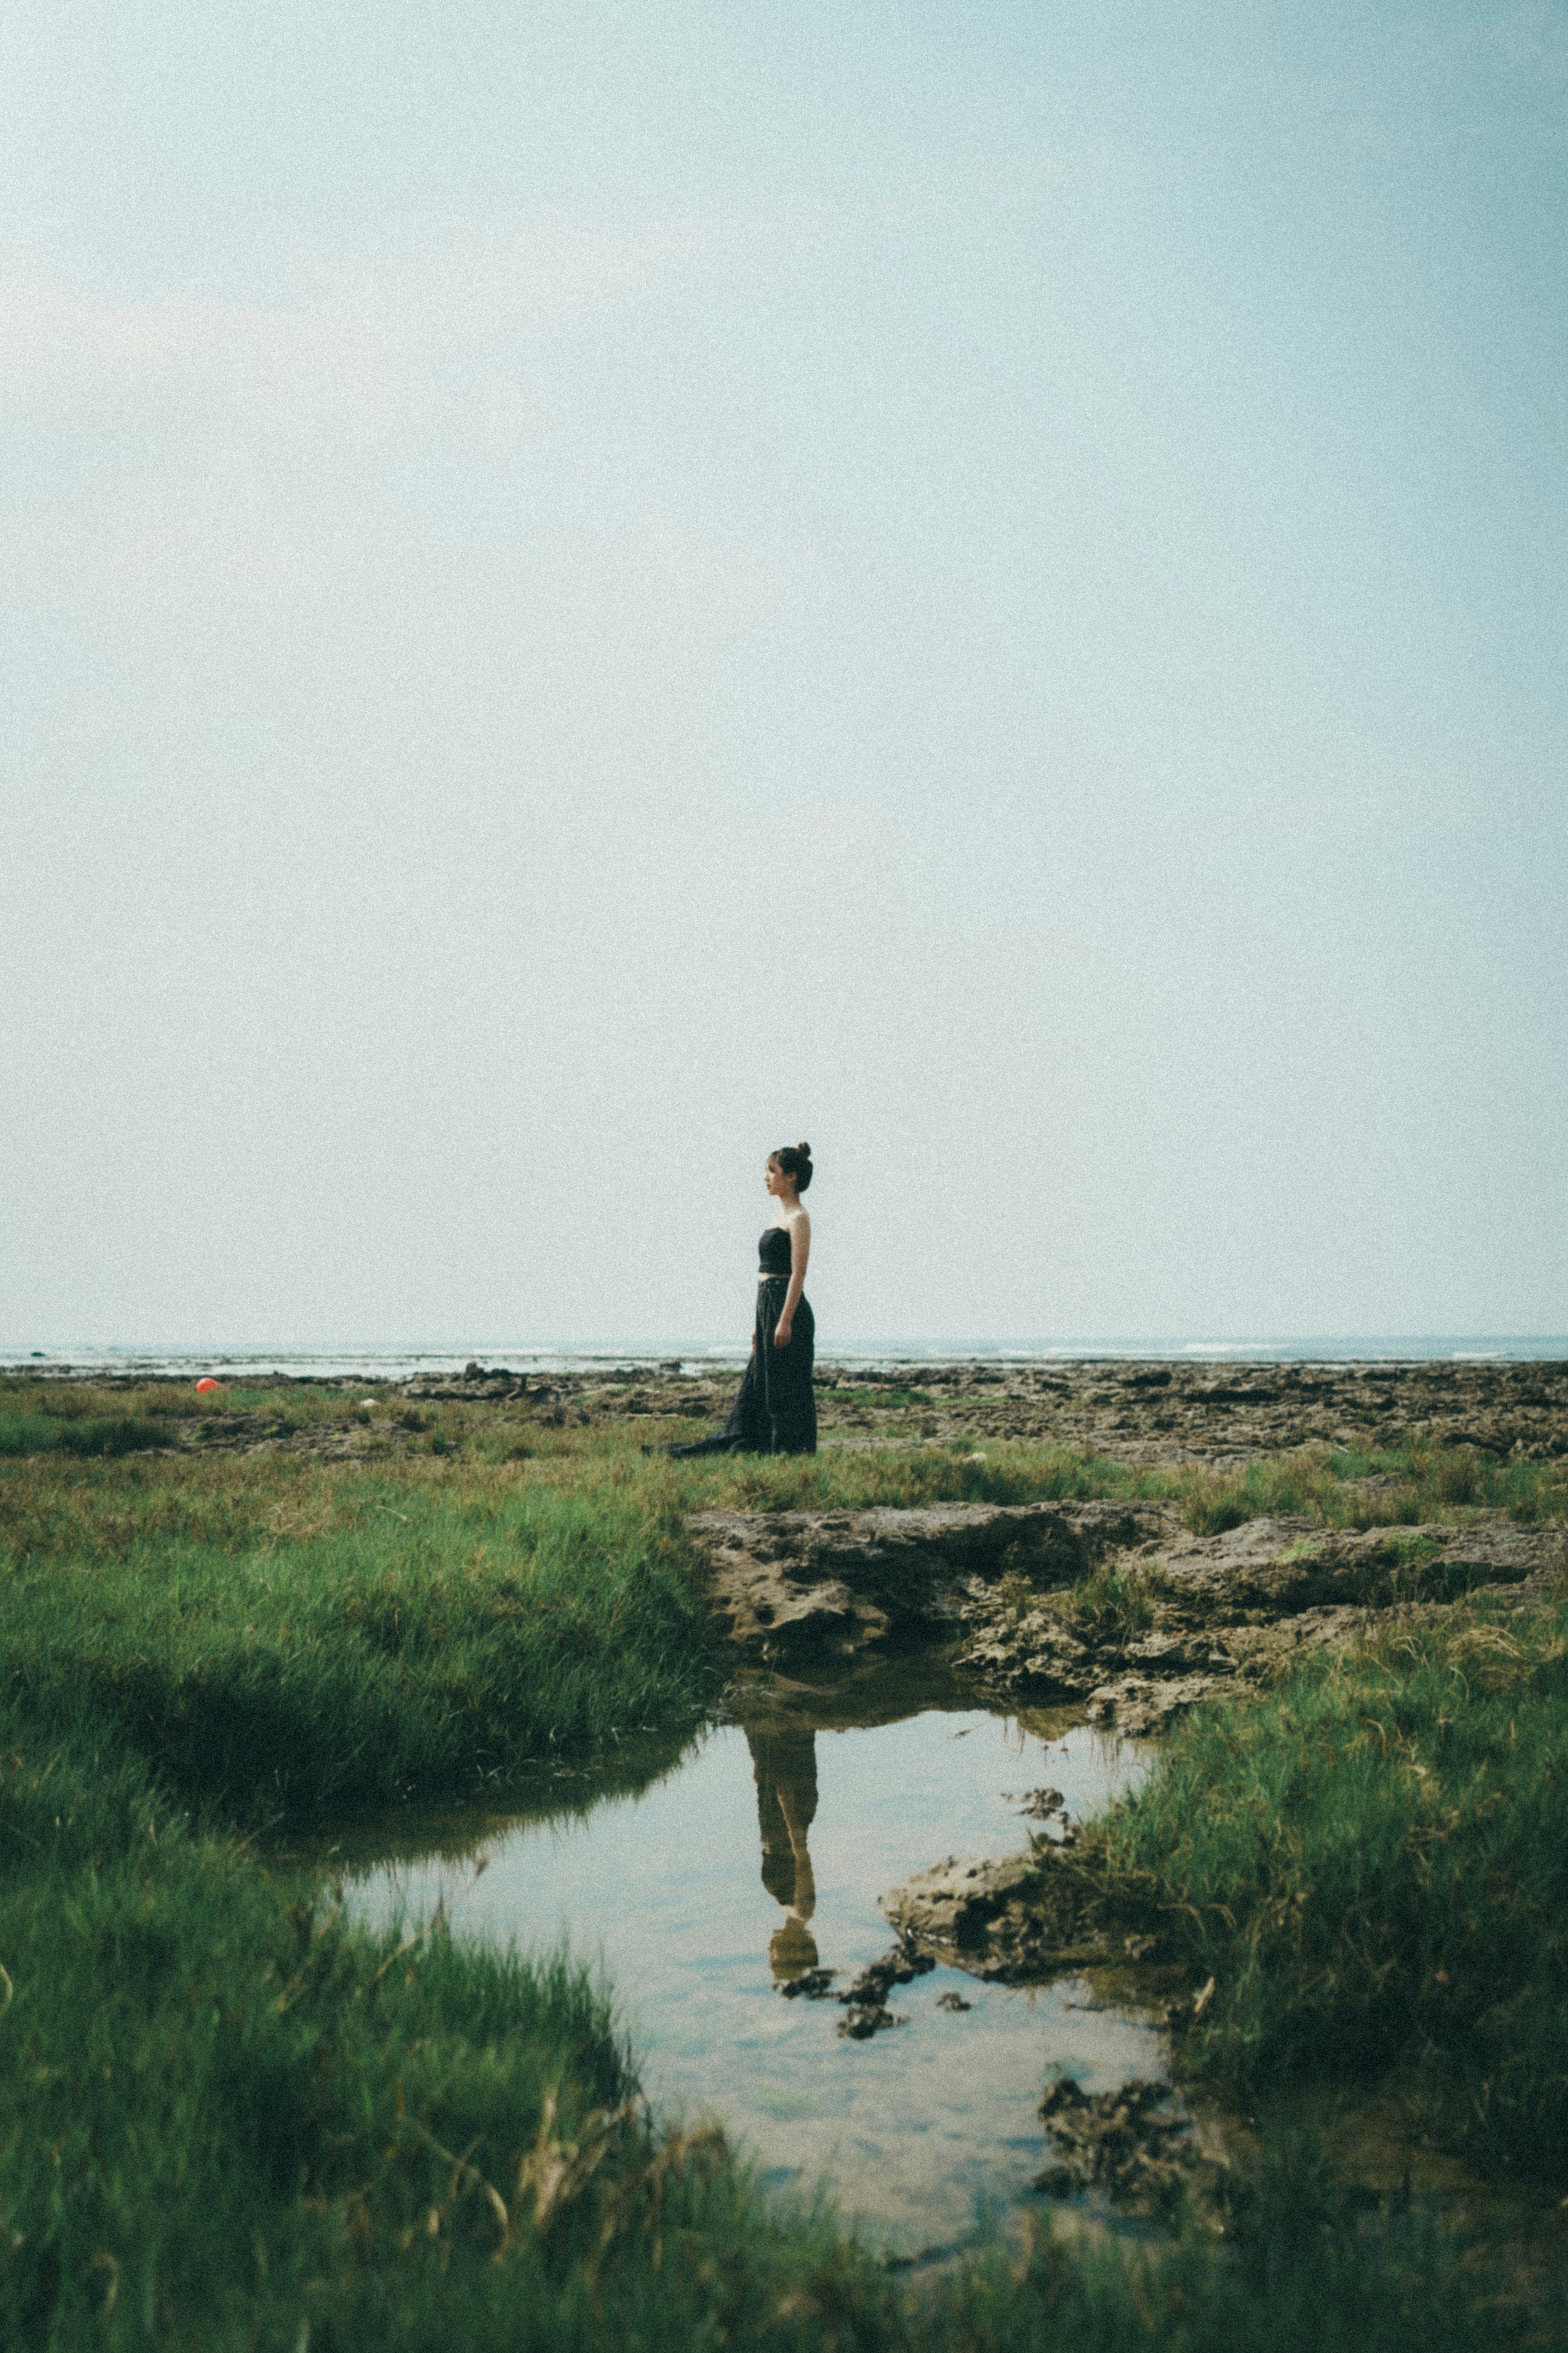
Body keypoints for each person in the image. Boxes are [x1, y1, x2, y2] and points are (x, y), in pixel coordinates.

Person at [663, 1143, 817, 1456]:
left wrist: (785, 1320)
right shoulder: (777, 1216)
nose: (766, 1178)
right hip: (767, 1304)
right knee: (759, 1383)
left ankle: (792, 1454)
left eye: (772, 1172)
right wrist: (758, 1325)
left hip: (787, 1307)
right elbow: (766, 1276)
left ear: (791, 1177)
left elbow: (798, 1274)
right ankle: (757, 1446)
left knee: (787, 1385)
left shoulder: (799, 1217)